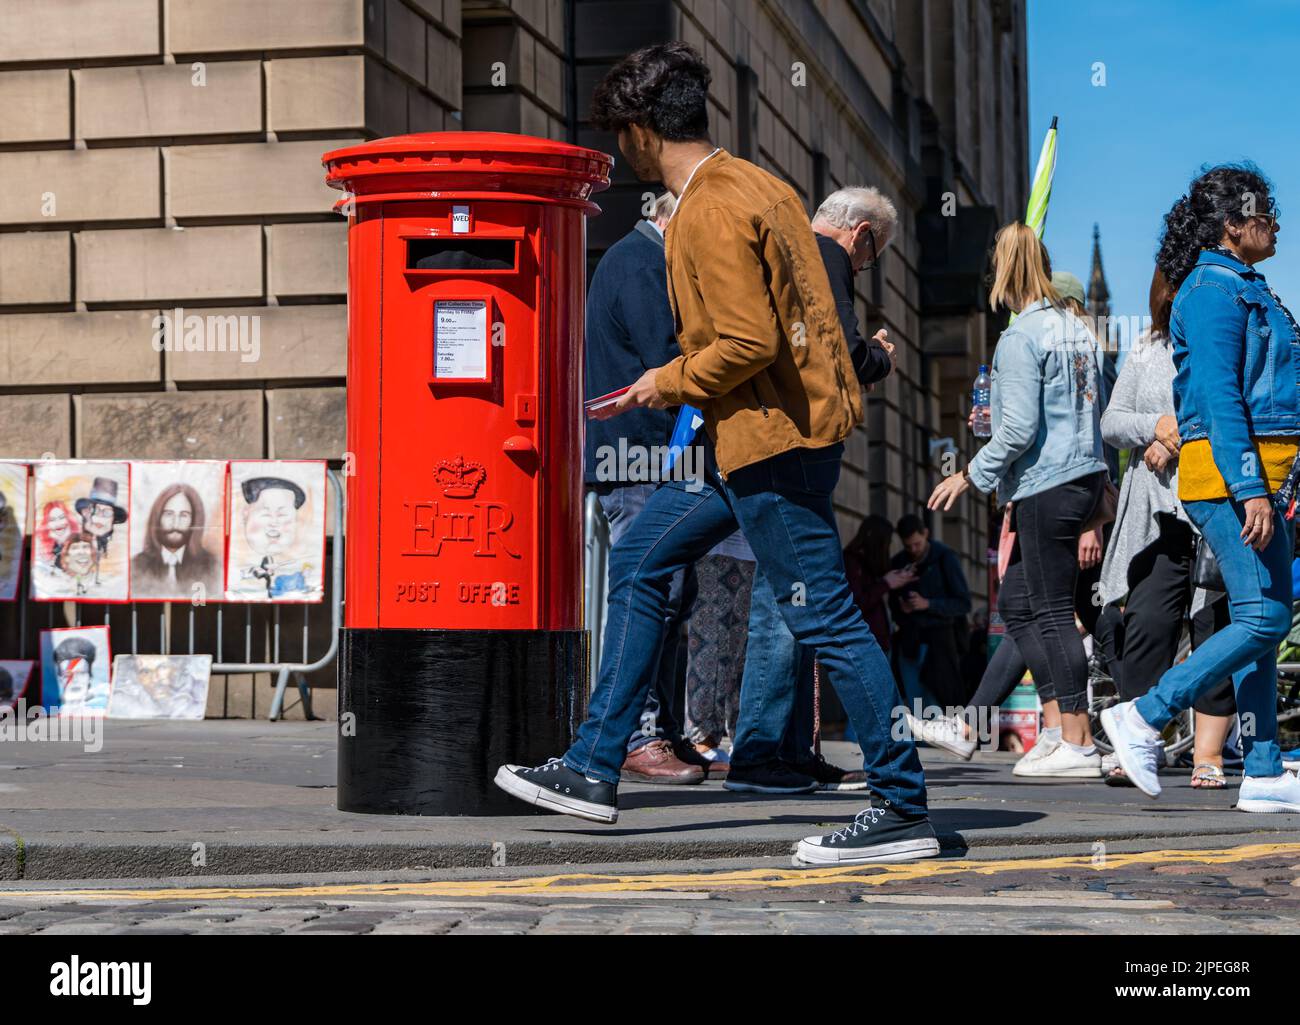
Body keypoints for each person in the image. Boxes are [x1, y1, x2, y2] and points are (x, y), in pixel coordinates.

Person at [495, 42, 938, 866]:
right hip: (746, 445)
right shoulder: (763, 182)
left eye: (620, 137)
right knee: (638, 559)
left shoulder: (701, 210)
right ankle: (595, 765)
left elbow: (747, 339)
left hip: (769, 448)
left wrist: (660, 381)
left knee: (828, 617)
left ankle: (902, 804)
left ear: (637, 132)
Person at [1104, 164, 1300, 810]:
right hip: (1230, 481)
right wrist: (1249, 488)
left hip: (1258, 479)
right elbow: (1218, 398)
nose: (1275, 221)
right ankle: (1141, 717)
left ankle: (1266, 769)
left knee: (1262, 619)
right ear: (1232, 223)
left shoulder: (1241, 283)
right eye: (1264, 210)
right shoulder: (1213, 290)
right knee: (1265, 616)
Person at [727, 185, 901, 794]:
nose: (863, 267)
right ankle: (762, 754)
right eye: (871, 256)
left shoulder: (785, 249)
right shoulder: (825, 257)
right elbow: (847, 355)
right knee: (798, 602)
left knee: (785, 597)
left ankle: (787, 750)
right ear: (859, 234)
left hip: (752, 441)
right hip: (790, 447)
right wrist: (880, 356)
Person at [929, 222, 1109, 779]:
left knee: (1053, 610)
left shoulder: (1019, 337)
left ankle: (1075, 742)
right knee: (1018, 604)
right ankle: (1059, 734)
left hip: (1045, 485)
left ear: (1003, 271)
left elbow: (1017, 431)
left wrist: (970, 475)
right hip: (1080, 480)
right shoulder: (1079, 332)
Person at [1095, 266, 1236, 787]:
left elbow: (1236, 412)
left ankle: (1209, 757)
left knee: (1213, 628)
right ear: (1164, 292)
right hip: (1158, 517)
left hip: (1216, 506)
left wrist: (1181, 435)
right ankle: (1139, 743)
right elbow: (1112, 423)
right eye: (1178, 286)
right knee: (1148, 625)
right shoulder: (1146, 347)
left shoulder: (1226, 341)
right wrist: (1151, 427)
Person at [584, 190, 705, 785]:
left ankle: (663, 731)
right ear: (667, 216)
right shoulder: (640, 262)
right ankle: (638, 734)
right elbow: (670, 359)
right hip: (639, 458)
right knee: (647, 597)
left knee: (669, 598)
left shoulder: (647, 259)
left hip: (660, 457)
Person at [889, 514, 972, 709]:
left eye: (917, 544)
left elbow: (963, 603)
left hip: (940, 639)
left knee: (944, 699)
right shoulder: (899, 561)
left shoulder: (945, 557)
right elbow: (893, 605)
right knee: (916, 700)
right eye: (908, 546)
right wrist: (903, 608)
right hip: (911, 640)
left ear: (926, 533)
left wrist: (928, 604)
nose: (914, 550)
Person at [132, 483, 222, 598]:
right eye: (169, 514)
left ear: (194, 520)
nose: (175, 523)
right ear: (157, 518)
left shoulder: (212, 566)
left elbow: (203, 603)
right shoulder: (137, 565)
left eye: (184, 515)